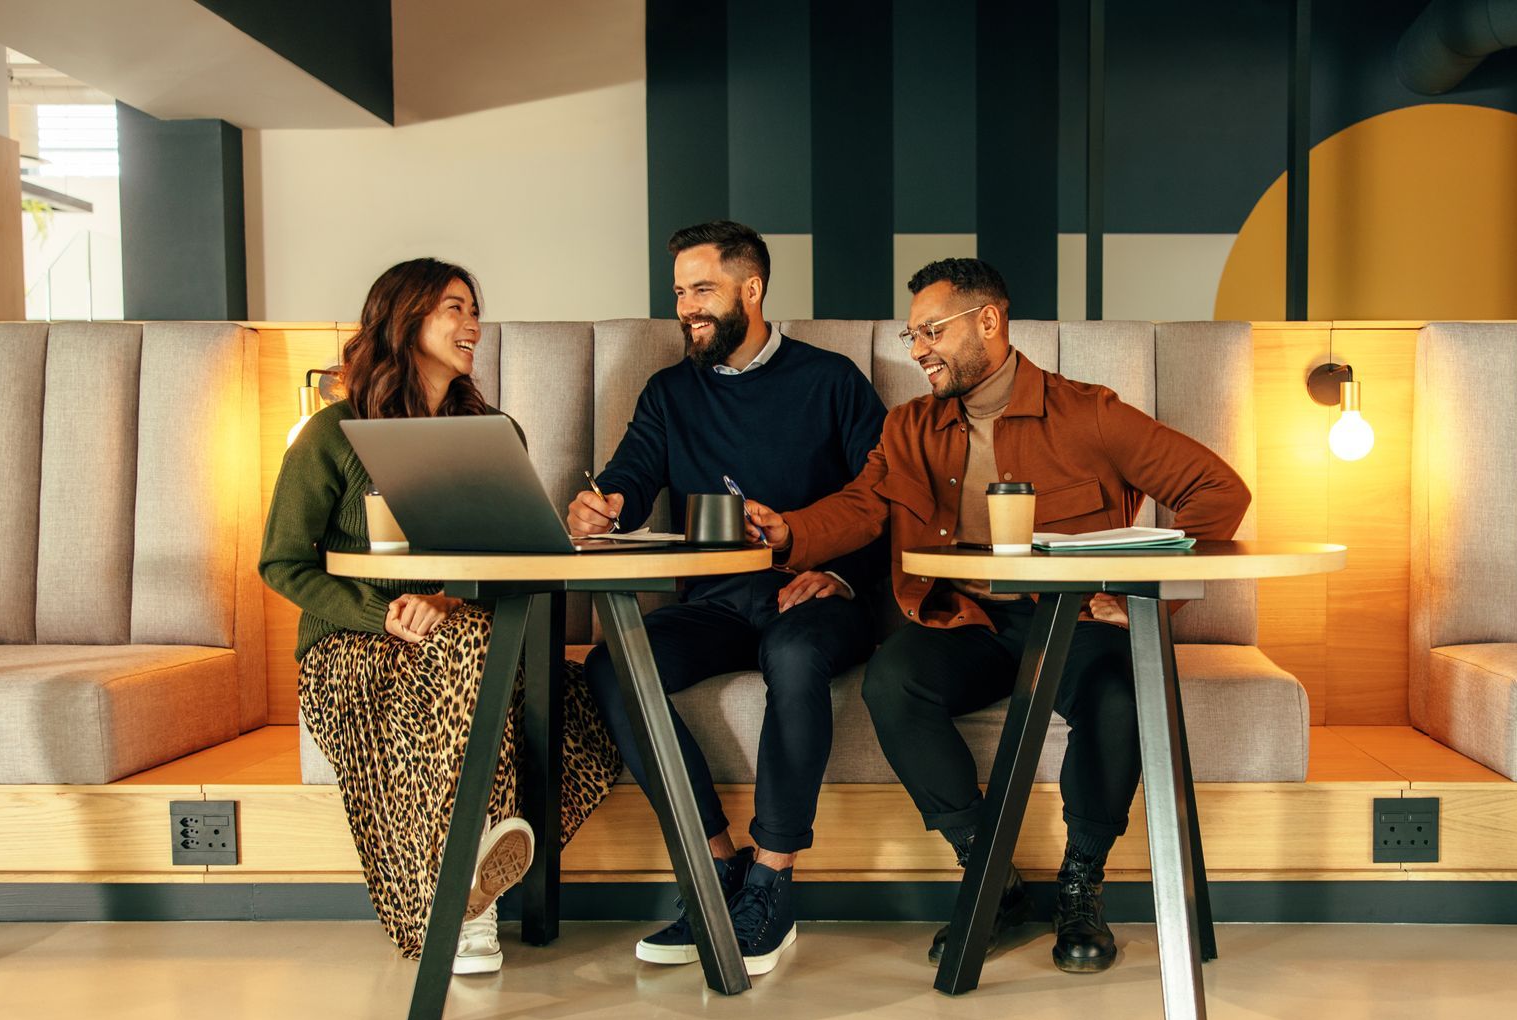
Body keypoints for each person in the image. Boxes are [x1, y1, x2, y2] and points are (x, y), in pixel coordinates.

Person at [744, 258, 1250, 973]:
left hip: (1074, 625)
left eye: (931, 330)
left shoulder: (1090, 413)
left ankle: (1082, 884)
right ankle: (990, 876)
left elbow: (1216, 490)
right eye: (909, 333)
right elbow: (861, 508)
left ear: (988, 321)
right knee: (893, 681)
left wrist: (1136, 591)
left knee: (1118, 691)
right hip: (970, 624)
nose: (916, 348)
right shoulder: (909, 426)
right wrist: (787, 532)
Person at [261, 258, 621, 974]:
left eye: (475, 309)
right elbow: (281, 562)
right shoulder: (332, 434)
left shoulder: (495, 433)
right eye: (454, 308)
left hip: (469, 644)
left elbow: (517, 562)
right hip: (353, 651)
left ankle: (460, 893)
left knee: (597, 712)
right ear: (406, 319)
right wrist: (382, 613)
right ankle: (469, 909)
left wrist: (450, 602)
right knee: (468, 651)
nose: (473, 325)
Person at [568, 221, 885, 975]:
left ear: (752, 289)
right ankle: (718, 869)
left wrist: (837, 574)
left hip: (815, 595)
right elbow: (631, 476)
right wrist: (602, 504)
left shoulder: (832, 380)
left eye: (702, 289)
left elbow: (886, 496)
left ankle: (774, 881)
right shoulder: (670, 392)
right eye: (679, 292)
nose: (687, 308)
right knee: (614, 666)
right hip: (714, 603)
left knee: (796, 651)